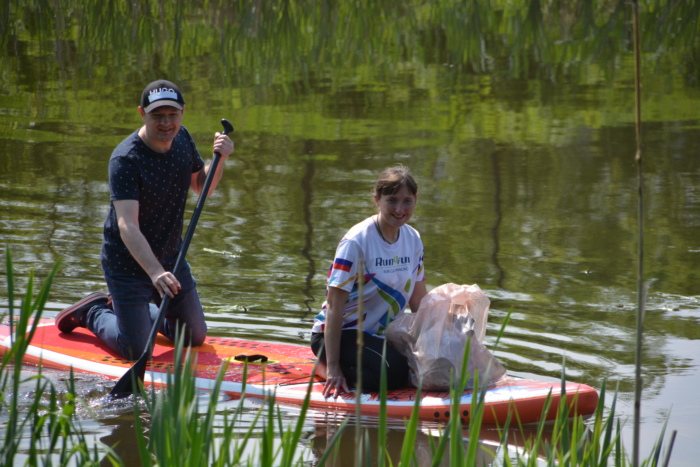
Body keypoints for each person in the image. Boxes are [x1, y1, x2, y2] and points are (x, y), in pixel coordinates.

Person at [56, 79, 234, 360]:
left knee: (193, 336)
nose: (166, 123)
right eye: (157, 116)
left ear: (183, 112)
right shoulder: (125, 159)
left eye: (172, 115)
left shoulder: (183, 139)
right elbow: (127, 224)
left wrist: (220, 158)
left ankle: (130, 311)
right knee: (137, 349)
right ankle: (93, 311)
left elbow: (202, 187)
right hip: (127, 264)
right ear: (142, 113)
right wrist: (154, 273)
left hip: (170, 258)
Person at [310, 165, 428, 398]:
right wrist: (333, 366)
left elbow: (418, 299)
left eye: (407, 201)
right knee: (393, 374)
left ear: (415, 200)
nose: (399, 209)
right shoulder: (356, 242)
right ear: (377, 199)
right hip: (339, 334)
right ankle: (323, 368)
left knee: (415, 369)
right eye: (392, 200)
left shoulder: (413, 239)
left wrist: (434, 344)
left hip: (380, 336)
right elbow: (334, 306)